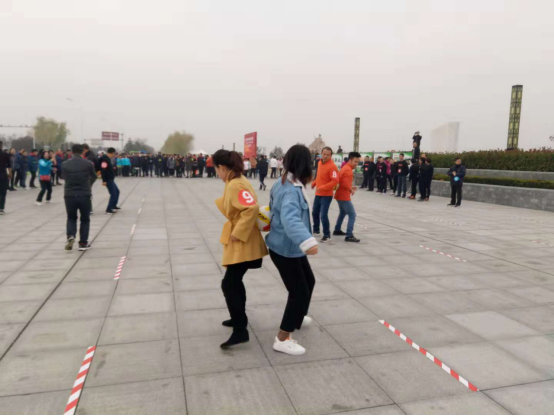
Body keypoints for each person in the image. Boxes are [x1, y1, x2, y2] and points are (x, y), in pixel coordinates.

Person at [266, 144, 318, 356]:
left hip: (286, 246)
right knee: (299, 292)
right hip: (286, 249)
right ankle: (282, 338)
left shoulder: (285, 182)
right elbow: (290, 219)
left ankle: (297, 317)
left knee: (309, 281)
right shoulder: (290, 189)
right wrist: (307, 241)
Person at [213, 149, 268, 349]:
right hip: (243, 237)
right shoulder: (236, 180)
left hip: (243, 240)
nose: (216, 173)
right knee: (234, 281)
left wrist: (238, 231)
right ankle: (239, 319)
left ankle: (240, 330)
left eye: (216, 169)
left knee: (229, 284)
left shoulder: (236, 183)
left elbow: (251, 208)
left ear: (222, 167)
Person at [62, 144, 97, 251]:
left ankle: (71, 236)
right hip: (84, 194)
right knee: (85, 219)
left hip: (69, 194)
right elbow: (94, 176)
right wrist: (87, 184)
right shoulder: (88, 164)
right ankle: (83, 243)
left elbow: (62, 176)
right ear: (83, 152)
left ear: (72, 152)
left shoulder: (65, 164)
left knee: (71, 217)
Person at [311, 147, 339, 242]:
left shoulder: (332, 166)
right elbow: (320, 176)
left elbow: (335, 181)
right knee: (315, 212)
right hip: (318, 193)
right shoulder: (319, 163)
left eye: (328, 155)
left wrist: (323, 187)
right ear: (321, 154)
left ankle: (327, 235)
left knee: (323, 215)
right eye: (324, 154)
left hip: (327, 195)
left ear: (331, 155)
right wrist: (314, 183)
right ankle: (316, 230)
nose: (326, 156)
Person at [333, 152, 361, 242]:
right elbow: (345, 184)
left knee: (343, 212)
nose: (356, 164)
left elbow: (343, 182)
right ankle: (349, 235)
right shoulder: (348, 170)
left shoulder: (345, 168)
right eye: (355, 162)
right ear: (350, 160)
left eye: (358, 162)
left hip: (339, 195)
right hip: (344, 196)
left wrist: (351, 187)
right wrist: (351, 190)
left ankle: (337, 229)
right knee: (352, 214)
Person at [99, 148, 121, 214]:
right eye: (114, 154)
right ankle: (109, 209)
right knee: (113, 194)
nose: (114, 155)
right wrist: (104, 180)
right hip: (108, 179)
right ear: (112, 153)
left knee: (117, 191)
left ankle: (114, 205)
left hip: (111, 179)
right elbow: (103, 170)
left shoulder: (107, 159)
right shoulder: (104, 159)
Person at [0, 142, 12, 214]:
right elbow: (9, 165)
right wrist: (10, 173)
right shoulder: (6, 154)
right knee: (3, 192)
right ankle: (1, 208)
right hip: (3, 174)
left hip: (3, 174)